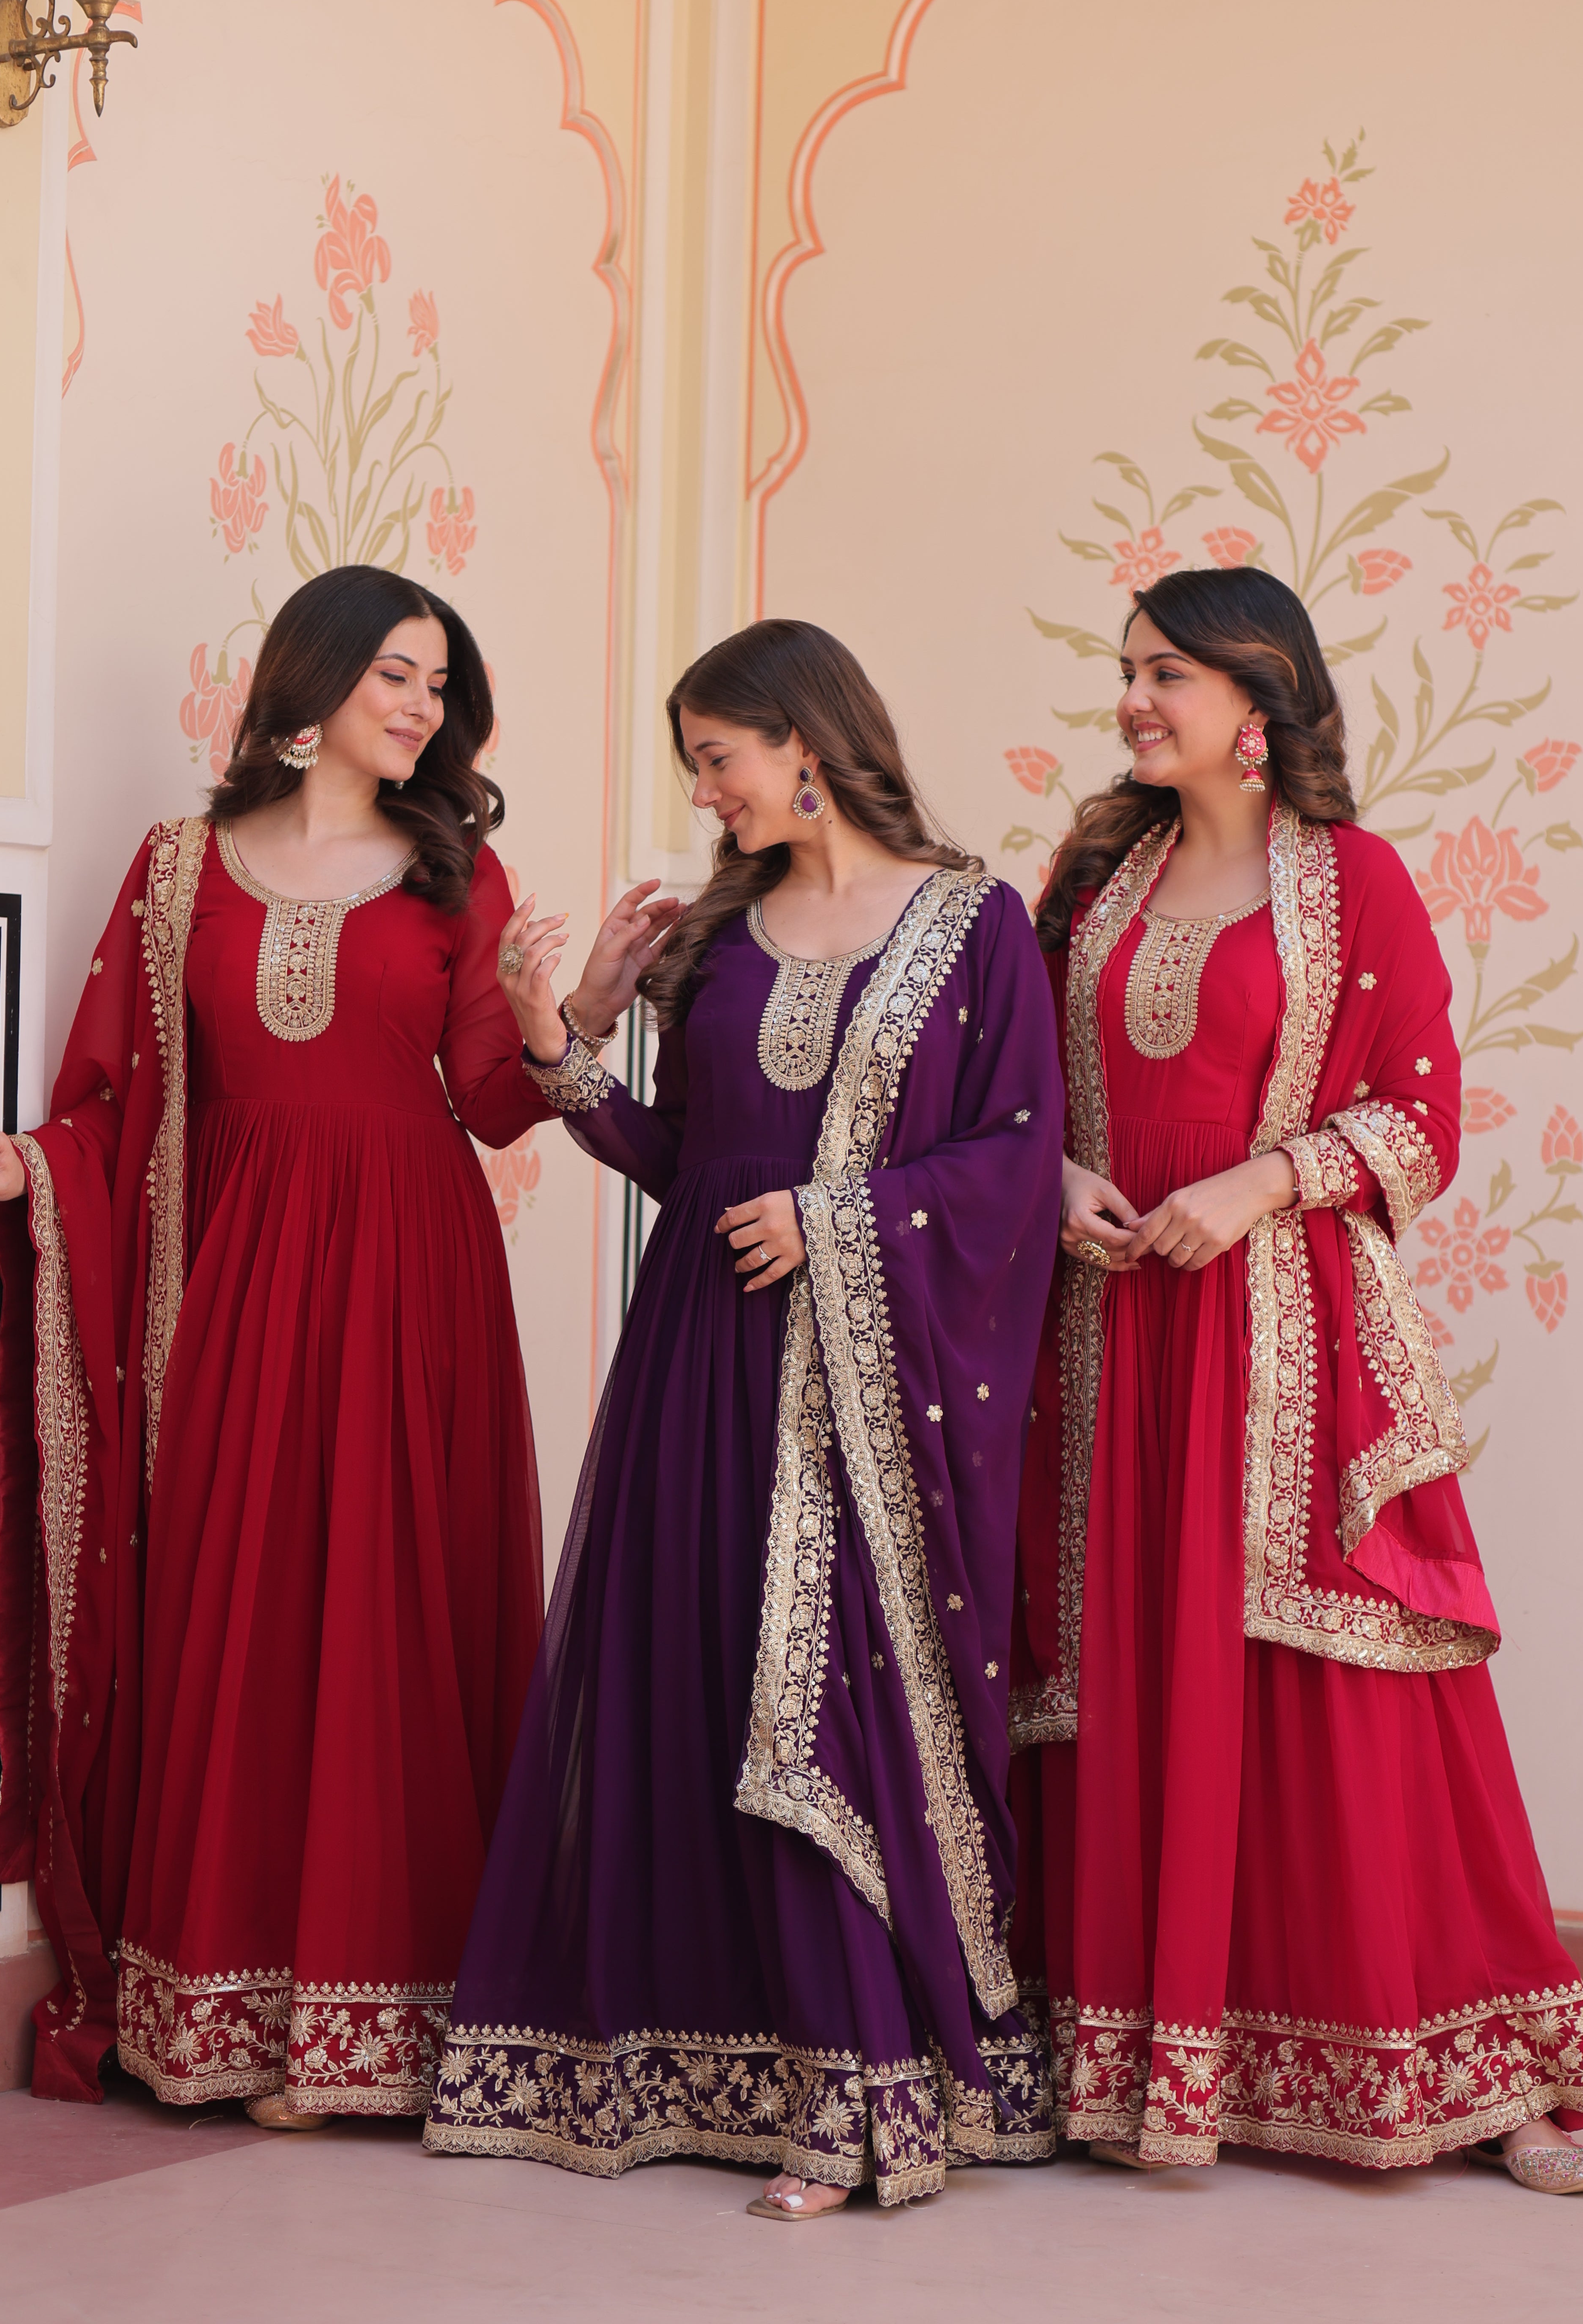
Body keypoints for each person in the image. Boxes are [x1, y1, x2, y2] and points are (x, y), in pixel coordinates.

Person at [426, 619, 1064, 2213]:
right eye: (698, 761)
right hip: (698, 1367)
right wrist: (561, 1031)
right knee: (705, 1689)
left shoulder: (973, 922)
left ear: (808, 740)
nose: (706, 791)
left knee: (822, 1713)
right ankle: (707, 2062)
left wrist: (837, 1223)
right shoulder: (720, 933)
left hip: (860, 1394)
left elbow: (1016, 1161)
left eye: (720, 754)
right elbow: (681, 1160)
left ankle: (859, 2094)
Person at [1007, 566, 1583, 2189]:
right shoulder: (1096, 873)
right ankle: (1142, 2060)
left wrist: (1255, 1187)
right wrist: (1059, 1183)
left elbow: (1423, 1117)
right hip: (1110, 1325)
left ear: (1259, 696)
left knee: (1332, 1686)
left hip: (1283, 1332)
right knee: (1124, 1666)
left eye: (1167, 672)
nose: (1134, 699)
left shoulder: (1354, 882)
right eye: (1127, 668)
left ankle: (1464, 2073)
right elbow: (1030, 1091)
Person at [0, 565, 548, 2122]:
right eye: (399, 678)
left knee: (387, 1610)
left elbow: (488, 1104)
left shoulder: (455, 879)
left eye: (440, 687)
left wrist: (566, 1013)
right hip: (233, 1278)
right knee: (247, 1602)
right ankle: (228, 2010)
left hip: (414, 1275)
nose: (425, 709)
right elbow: (115, 1093)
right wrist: (37, 1168)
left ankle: (370, 2029)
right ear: (318, 683)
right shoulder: (176, 874)